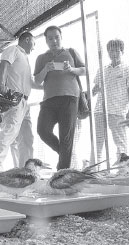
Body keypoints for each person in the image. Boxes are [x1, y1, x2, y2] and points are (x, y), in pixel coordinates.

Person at [34, 26, 86, 170]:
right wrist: (46, 69)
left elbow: (84, 70)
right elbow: (37, 80)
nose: (54, 40)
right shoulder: (41, 58)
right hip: (49, 100)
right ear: (46, 40)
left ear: (61, 37)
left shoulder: (71, 52)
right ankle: (65, 154)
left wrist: (71, 69)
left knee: (66, 137)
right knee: (42, 130)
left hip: (70, 98)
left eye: (56, 37)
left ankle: (62, 172)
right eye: (50, 38)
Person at [0, 32, 37, 171]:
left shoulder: (25, 59)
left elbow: (31, 82)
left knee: (27, 137)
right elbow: (3, 64)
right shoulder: (14, 50)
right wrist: (1, 85)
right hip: (14, 99)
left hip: (25, 102)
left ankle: (26, 169)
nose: (34, 47)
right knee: (9, 131)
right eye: (34, 43)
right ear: (27, 39)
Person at [93, 39, 129, 162]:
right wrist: (85, 99)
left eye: (117, 50)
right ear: (108, 52)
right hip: (100, 111)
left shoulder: (128, 70)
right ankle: (97, 168)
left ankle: (122, 170)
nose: (114, 53)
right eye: (111, 50)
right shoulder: (102, 69)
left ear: (122, 51)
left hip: (117, 111)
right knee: (98, 142)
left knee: (120, 143)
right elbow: (96, 88)